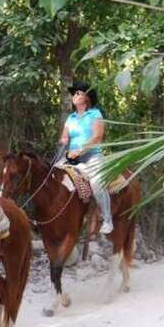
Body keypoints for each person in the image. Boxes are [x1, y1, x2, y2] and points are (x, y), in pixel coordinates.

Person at [59, 81, 113, 234]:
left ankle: (107, 219)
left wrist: (80, 151)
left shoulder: (95, 114)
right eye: (74, 93)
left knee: (97, 184)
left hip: (92, 156)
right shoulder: (71, 118)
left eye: (78, 93)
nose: (74, 96)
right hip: (72, 158)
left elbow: (97, 137)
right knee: (53, 177)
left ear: (87, 97)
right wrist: (64, 141)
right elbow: (64, 136)